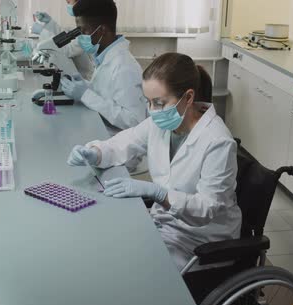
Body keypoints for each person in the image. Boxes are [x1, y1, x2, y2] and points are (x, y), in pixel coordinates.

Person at [66, 53, 242, 271]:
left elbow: (206, 209)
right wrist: (94, 152)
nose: (152, 110)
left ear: (188, 98)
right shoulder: (160, 123)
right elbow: (125, 142)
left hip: (200, 242)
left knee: (133, 268)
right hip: (164, 226)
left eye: (159, 102)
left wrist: (158, 193)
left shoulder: (218, 141)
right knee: (108, 248)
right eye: (148, 102)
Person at [60, 0, 147, 136]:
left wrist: (85, 95)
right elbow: (107, 94)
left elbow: (134, 120)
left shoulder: (124, 67)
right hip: (100, 134)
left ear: (102, 30)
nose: (80, 37)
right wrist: (86, 86)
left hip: (117, 149)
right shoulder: (104, 56)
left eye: (83, 31)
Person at [33, 0, 94, 80]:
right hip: (80, 75)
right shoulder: (83, 20)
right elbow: (67, 36)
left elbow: (67, 49)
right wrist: (50, 23)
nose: (68, 6)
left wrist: (43, 31)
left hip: (84, 79)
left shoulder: (89, 24)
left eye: (69, 2)